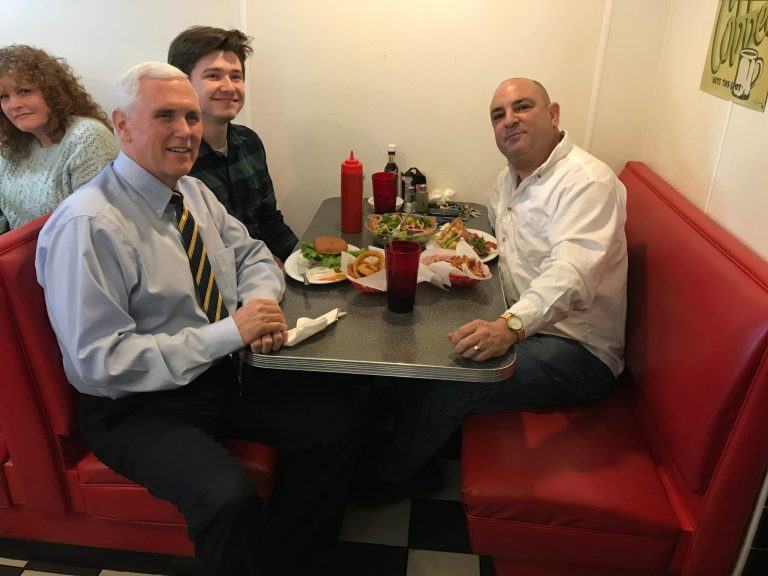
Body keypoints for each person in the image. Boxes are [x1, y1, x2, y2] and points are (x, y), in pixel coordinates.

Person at [35, 62, 357, 576]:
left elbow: (251, 253)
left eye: (190, 116)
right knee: (226, 498)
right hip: (134, 406)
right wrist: (231, 332)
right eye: (166, 116)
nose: (186, 131)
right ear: (122, 125)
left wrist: (258, 308)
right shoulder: (89, 224)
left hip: (217, 374)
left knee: (335, 425)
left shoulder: (193, 192)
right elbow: (99, 362)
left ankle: (289, 561)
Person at [363, 78, 628, 499]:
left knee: (458, 374)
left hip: (578, 350)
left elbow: (571, 273)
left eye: (522, 107)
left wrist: (509, 326)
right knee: (417, 335)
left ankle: (390, 476)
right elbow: (499, 253)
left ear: (553, 113)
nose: (510, 120)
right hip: (524, 319)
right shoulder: (509, 180)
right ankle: (415, 440)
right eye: (498, 115)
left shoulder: (587, 183)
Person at [167, 26, 298, 263]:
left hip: (264, 273)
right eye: (213, 75)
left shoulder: (250, 142)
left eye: (236, 76)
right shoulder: (175, 160)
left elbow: (269, 220)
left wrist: (304, 262)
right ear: (183, 84)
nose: (229, 87)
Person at [0, 44, 118, 230]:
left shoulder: (87, 137)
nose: (14, 104)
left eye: (24, 91)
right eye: (3, 96)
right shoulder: (11, 145)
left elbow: (95, 227)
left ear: (52, 91)